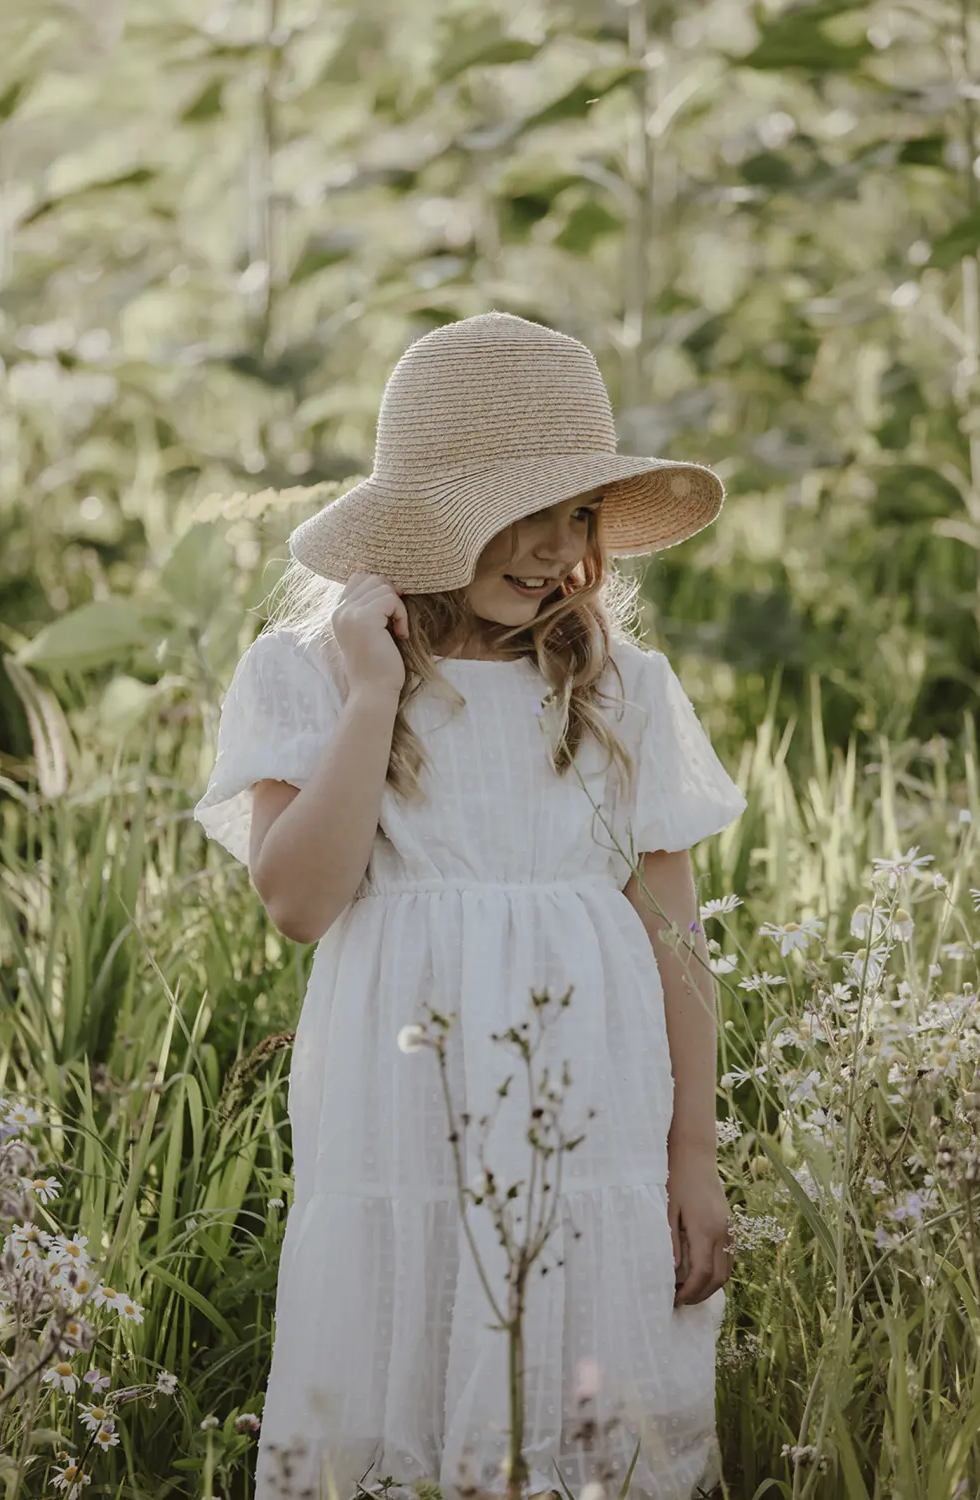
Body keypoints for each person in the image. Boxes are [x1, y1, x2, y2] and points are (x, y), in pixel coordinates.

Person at [193, 311, 748, 1500]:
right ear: (434, 514)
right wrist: (368, 698)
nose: (560, 550)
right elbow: (298, 902)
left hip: (592, 1102)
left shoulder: (622, 688)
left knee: (578, 1390)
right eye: (528, 512)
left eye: (583, 514)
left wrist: (690, 1154)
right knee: (414, 1344)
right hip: (403, 1105)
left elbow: (675, 935)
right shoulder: (308, 676)